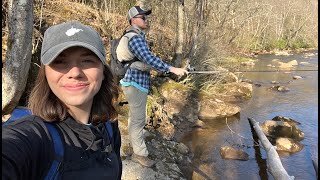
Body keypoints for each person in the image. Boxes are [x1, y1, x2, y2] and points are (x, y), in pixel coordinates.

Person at [2, 21, 122, 179]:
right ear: (45, 74)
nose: (75, 72)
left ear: (103, 72)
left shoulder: (109, 128)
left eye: (87, 60)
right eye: (59, 61)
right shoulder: (33, 137)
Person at [119, 6, 188, 167]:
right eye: (142, 17)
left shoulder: (137, 37)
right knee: (138, 120)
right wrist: (172, 69)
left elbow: (144, 62)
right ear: (133, 20)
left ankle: (135, 143)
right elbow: (149, 58)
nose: (146, 19)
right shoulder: (134, 38)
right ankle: (140, 154)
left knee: (135, 118)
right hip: (134, 83)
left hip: (135, 83)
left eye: (145, 17)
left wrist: (162, 70)